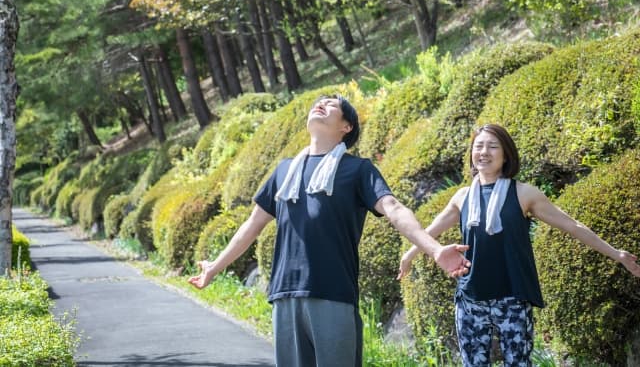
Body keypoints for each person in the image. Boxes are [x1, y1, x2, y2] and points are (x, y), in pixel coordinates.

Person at [188, 94, 471, 367]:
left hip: (332, 293)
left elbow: (394, 209)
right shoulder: (285, 171)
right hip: (285, 295)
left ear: (346, 127)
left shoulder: (358, 170)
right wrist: (214, 267)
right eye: (318, 102)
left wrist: (434, 250)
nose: (320, 104)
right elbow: (252, 226)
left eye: (331, 105)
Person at [397, 123, 640, 367]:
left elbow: (572, 226)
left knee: (519, 363)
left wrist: (616, 254)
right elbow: (430, 233)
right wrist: (409, 255)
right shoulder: (462, 197)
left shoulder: (524, 194)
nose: (484, 152)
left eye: (492, 147)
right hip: (471, 299)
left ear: (506, 156)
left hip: (512, 299)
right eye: (478, 146)